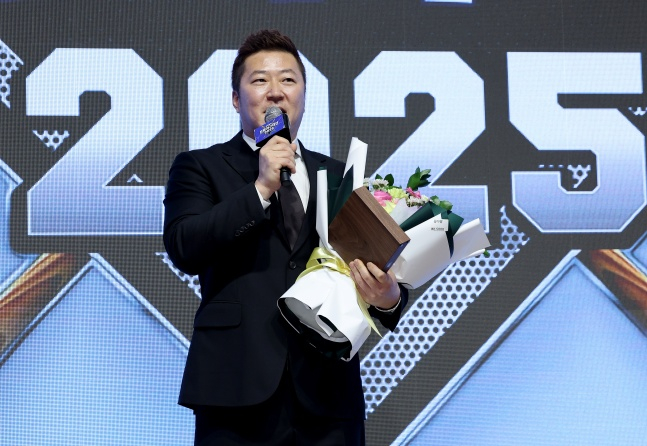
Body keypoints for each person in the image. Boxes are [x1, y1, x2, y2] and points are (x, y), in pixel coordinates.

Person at [163, 29, 408, 446]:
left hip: (329, 395)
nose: (275, 91)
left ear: (304, 96)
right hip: (235, 390)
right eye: (260, 80)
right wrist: (260, 188)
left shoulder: (340, 176)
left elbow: (379, 266)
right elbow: (184, 246)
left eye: (288, 80)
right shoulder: (200, 166)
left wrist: (389, 298)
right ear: (236, 98)